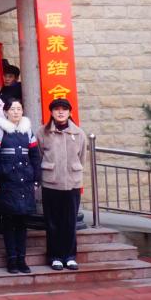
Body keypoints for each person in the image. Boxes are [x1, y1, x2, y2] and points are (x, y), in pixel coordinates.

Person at [0, 98, 41, 275]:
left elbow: (35, 156)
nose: (16, 112)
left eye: (19, 109)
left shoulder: (28, 130)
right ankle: (11, 259)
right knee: (9, 222)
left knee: (22, 222)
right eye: (12, 109)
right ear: (5, 112)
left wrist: (36, 179)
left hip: (25, 183)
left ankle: (21, 259)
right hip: (7, 183)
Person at [37, 98, 86, 271]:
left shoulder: (79, 133)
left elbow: (82, 158)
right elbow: (39, 155)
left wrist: (73, 171)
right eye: (56, 109)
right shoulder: (42, 132)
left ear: (70, 112)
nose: (60, 112)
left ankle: (70, 257)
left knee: (70, 222)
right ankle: (55, 257)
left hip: (72, 184)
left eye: (64, 109)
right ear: (51, 112)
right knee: (52, 222)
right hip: (51, 183)